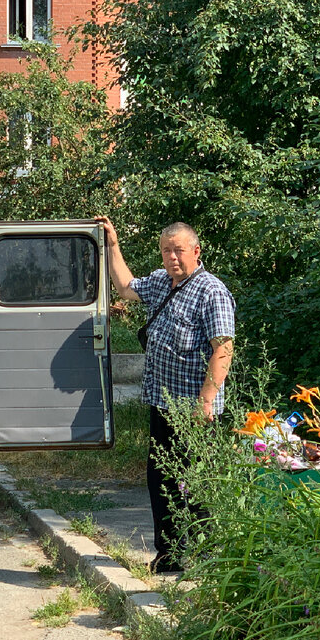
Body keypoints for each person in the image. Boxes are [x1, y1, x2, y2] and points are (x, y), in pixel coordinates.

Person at [98, 217, 236, 574]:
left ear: (196, 251)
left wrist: (206, 400)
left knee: (197, 481)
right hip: (163, 404)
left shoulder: (212, 291)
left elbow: (222, 348)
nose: (172, 257)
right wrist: (113, 244)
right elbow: (126, 286)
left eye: (178, 250)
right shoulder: (162, 282)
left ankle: (209, 556)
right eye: (166, 251)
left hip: (195, 409)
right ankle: (169, 554)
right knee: (161, 478)